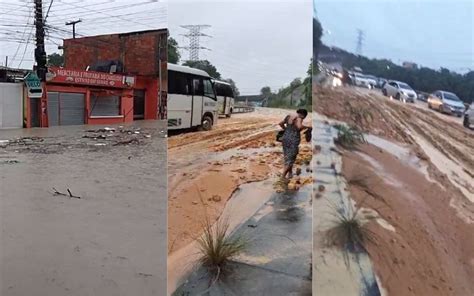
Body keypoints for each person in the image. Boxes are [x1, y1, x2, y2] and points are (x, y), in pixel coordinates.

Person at [278, 109, 310, 179]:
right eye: (304, 117)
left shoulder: (289, 116)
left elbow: (280, 123)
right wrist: (307, 127)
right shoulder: (299, 118)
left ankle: (290, 173)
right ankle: (283, 177)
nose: (303, 118)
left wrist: (286, 129)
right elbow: (299, 127)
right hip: (293, 140)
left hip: (285, 139)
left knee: (287, 157)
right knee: (291, 158)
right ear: (303, 115)